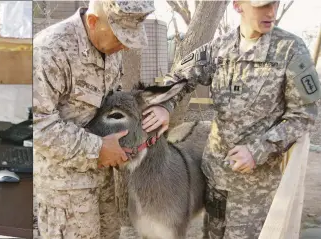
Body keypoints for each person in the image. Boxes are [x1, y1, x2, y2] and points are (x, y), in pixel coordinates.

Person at [145, 0, 321, 238]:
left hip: (256, 189)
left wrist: (258, 150)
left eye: (275, 3)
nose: (271, 11)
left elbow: (305, 115)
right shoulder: (219, 49)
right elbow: (179, 77)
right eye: (262, 5)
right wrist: (166, 105)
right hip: (216, 177)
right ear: (238, 6)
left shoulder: (290, 50)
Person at [32, 1, 158, 238]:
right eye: (120, 38)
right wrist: (97, 148)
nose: (124, 47)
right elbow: (37, 125)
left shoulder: (110, 51)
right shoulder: (50, 50)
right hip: (65, 192)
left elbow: (112, 102)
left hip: (103, 181)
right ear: (93, 22)